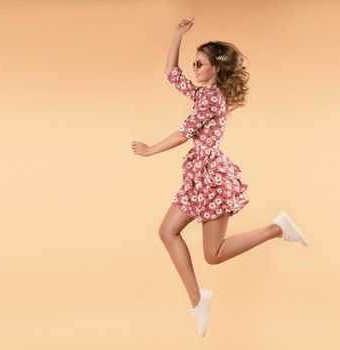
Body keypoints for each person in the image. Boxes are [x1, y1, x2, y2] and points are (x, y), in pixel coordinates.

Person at [131, 17, 310, 337]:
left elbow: (185, 133)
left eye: (200, 63)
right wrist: (176, 36)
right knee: (167, 232)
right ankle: (198, 300)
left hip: (211, 177)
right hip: (198, 176)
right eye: (195, 63)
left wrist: (150, 150)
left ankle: (276, 228)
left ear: (215, 68)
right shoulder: (203, 94)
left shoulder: (212, 98)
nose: (195, 68)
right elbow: (172, 75)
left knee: (213, 255)